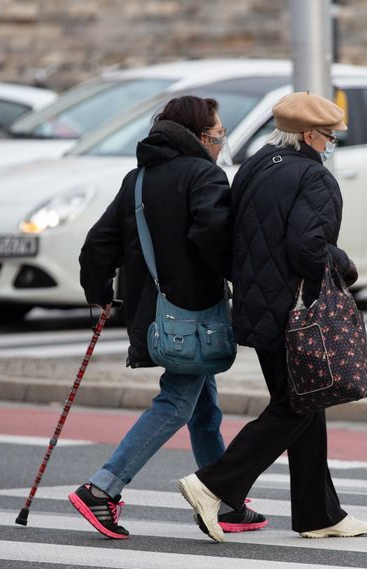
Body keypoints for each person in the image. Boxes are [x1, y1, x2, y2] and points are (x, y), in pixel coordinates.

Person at [176, 92, 367, 543]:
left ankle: (319, 513)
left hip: (255, 308)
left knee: (307, 401)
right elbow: (307, 249)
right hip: (295, 315)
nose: (331, 145)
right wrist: (342, 263)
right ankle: (213, 484)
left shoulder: (256, 165)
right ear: (308, 135)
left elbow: (231, 238)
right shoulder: (314, 179)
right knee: (296, 405)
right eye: (329, 137)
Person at [70, 95, 267, 539]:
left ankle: (224, 498)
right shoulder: (204, 176)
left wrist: (99, 295)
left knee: (204, 407)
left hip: (154, 316)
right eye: (218, 136)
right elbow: (213, 237)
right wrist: (243, 276)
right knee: (178, 401)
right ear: (199, 137)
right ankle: (103, 488)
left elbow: (97, 246)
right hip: (193, 318)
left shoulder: (137, 180)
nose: (221, 144)